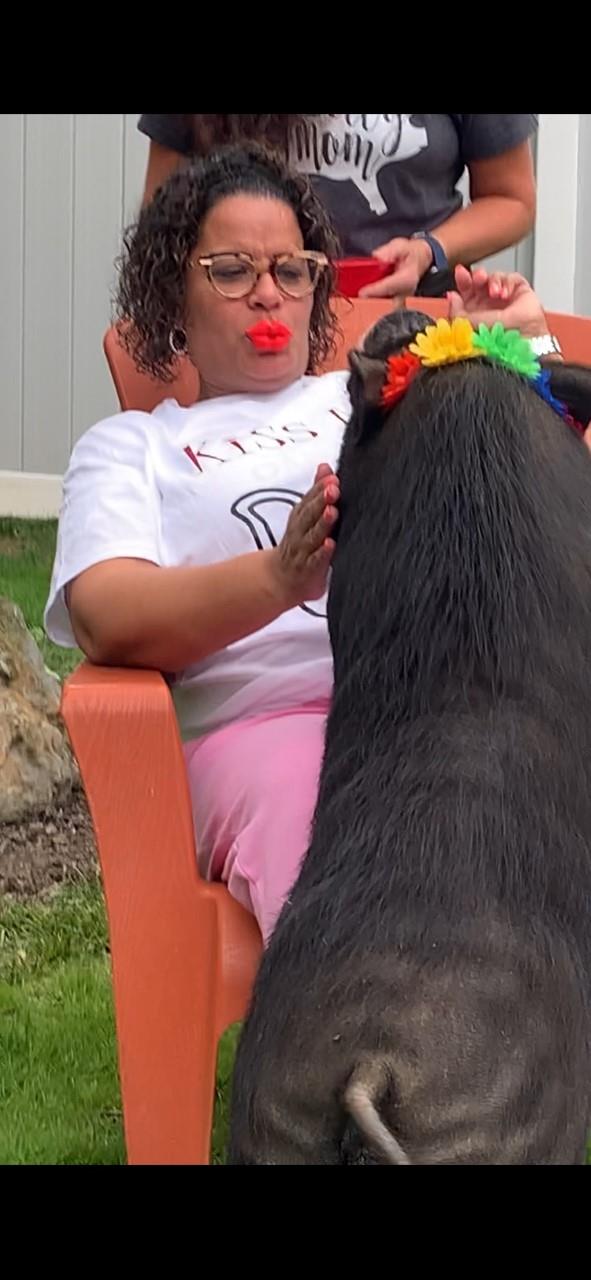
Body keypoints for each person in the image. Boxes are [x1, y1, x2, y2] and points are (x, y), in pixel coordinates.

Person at [44, 145, 589, 943]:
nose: (267, 292)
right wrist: (276, 577)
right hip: (272, 721)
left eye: (291, 270)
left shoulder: (378, 389)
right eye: (230, 271)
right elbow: (106, 612)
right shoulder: (134, 447)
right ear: (173, 296)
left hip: (444, 691)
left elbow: (551, 502)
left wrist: (520, 357)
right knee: (359, 898)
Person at [138, 114, 538, 299]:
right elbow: (162, 215)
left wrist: (427, 250)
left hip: (413, 318)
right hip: (254, 313)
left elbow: (511, 200)